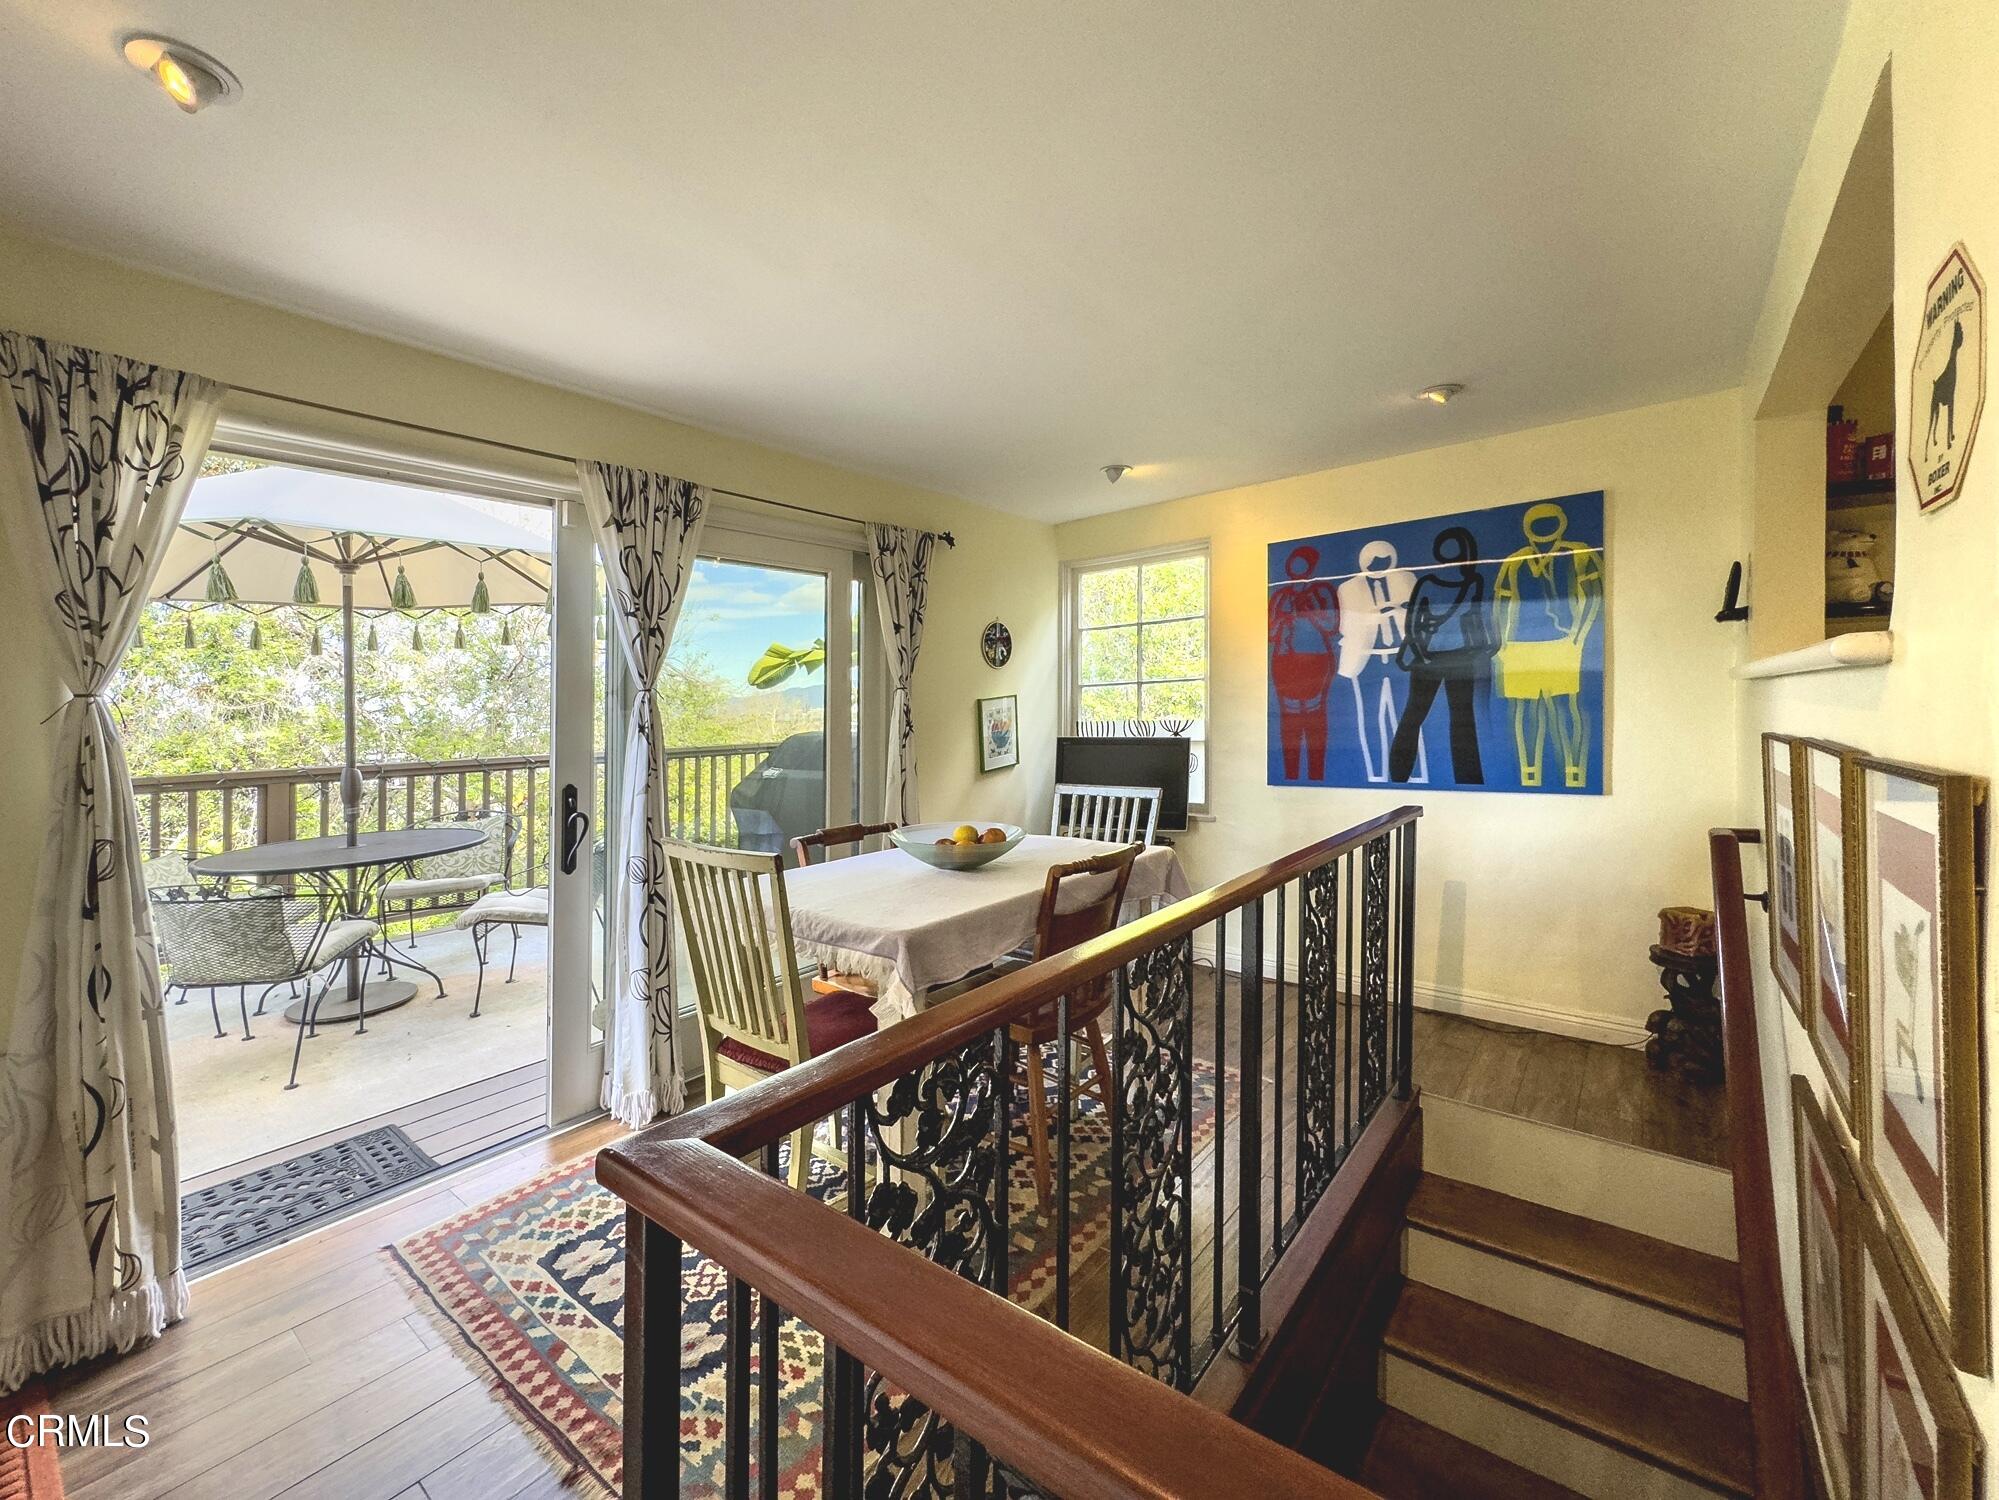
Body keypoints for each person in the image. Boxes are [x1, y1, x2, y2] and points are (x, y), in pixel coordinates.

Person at [1493, 502, 1603, 788]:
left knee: (1565, 708)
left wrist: (1579, 636)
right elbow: (1501, 603)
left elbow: (1594, 597)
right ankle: (1529, 775)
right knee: (1525, 712)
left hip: (1561, 643)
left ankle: (1573, 774)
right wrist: (1502, 644)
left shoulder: (1578, 554)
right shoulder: (1515, 561)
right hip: (1520, 646)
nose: (1543, 531)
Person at [1390, 525, 1495, 784]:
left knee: (1455, 717)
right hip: (1439, 658)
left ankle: (1466, 778)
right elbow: (1413, 625)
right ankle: (1400, 775)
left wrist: (1483, 648)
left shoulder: (1469, 582)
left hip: (1453, 658)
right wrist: (1422, 654)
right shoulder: (1447, 583)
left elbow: (1477, 619)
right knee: (1422, 715)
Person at [1335, 540, 1418, 783]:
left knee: (1405, 718)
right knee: (1371, 718)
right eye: (1373, 562)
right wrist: (1375, 617)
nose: (1378, 567)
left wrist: (1396, 610)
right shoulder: (1349, 588)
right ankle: (1376, 774)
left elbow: (1418, 615)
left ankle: (1406, 772)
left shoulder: (1406, 580)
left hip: (1401, 656)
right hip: (1366, 660)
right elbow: (1345, 626)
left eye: (1384, 562)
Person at [1268, 544, 1339, 781]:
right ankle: (1290, 775)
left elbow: (1331, 626)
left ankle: (1316, 774)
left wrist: (1310, 612)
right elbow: (1270, 633)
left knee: (1315, 717)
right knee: (1290, 720)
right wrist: (1286, 615)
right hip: (1285, 663)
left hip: (1316, 662)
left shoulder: (1322, 591)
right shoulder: (1280, 596)